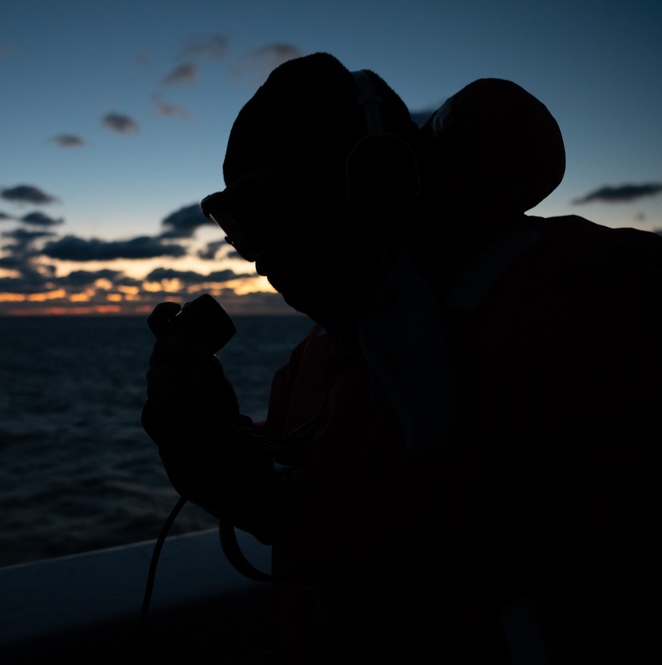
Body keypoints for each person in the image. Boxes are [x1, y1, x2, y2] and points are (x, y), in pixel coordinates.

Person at [142, 52, 662, 664]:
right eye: (240, 230)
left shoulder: (587, 304)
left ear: (374, 182)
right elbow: (324, 517)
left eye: (272, 216)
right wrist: (216, 456)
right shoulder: (319, 358)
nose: (257, 258)